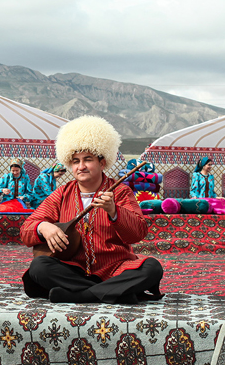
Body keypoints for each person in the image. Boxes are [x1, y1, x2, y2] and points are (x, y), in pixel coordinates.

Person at [21, 116, 164, 304]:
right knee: (39, 266)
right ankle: (114, 293)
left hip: (116, 269)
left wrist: (114, 211)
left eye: (87, 159)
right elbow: (26, 229)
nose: (80, 166)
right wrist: (43, 227)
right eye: (75, 161)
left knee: (152, 268)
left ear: (102, 162)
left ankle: (81, 296)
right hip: (74, 269)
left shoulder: (121, 191)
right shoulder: (62, 194)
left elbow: (138, 233)